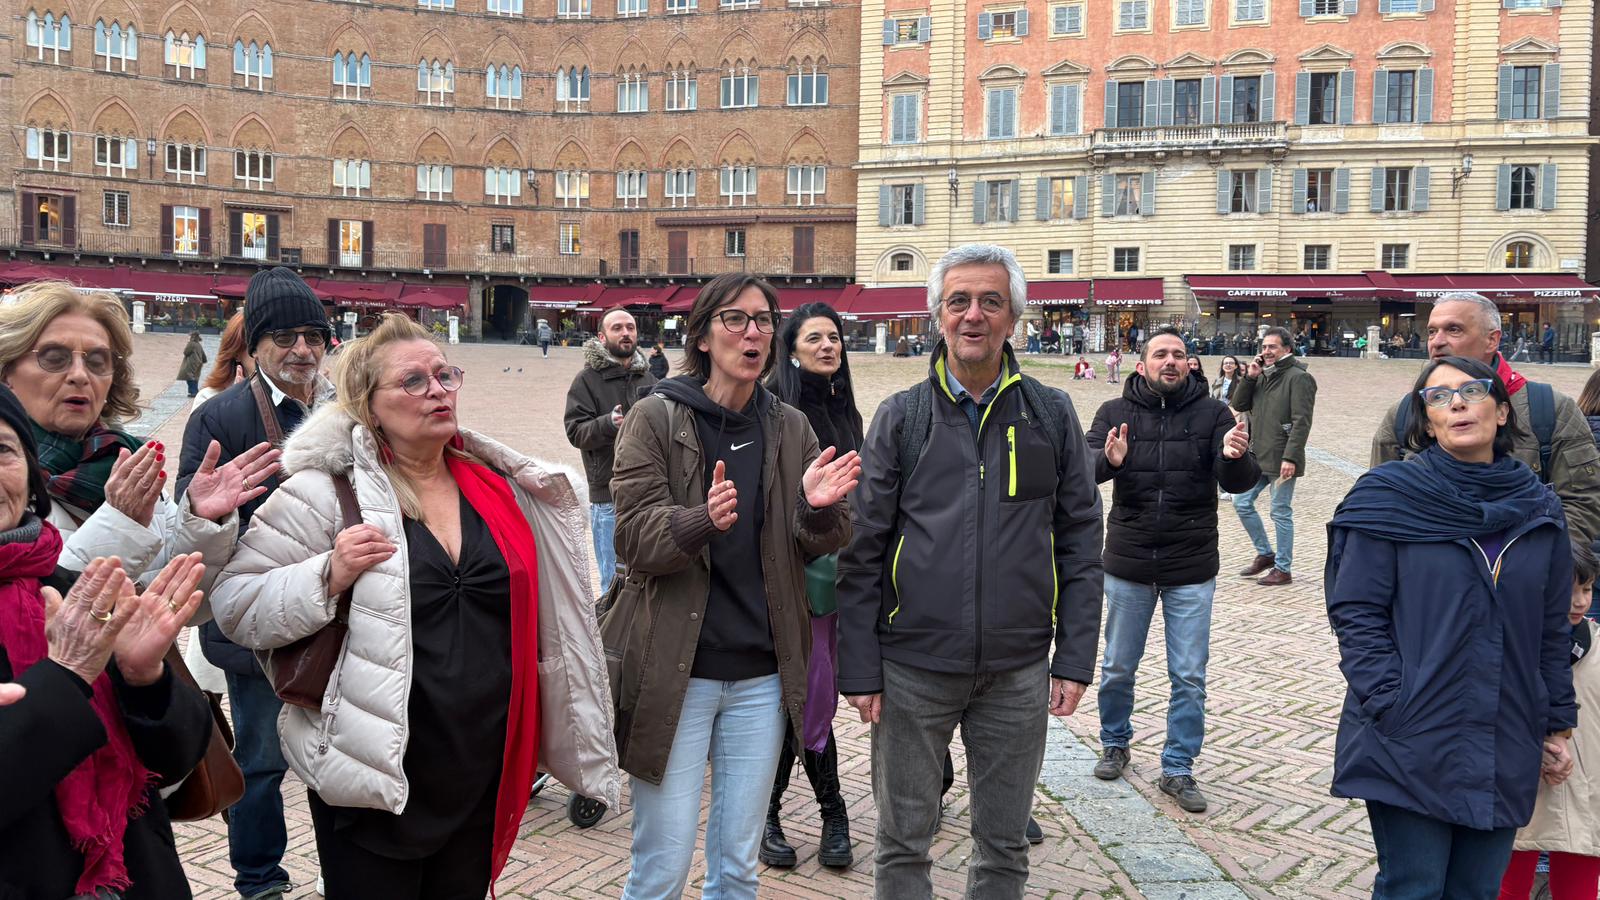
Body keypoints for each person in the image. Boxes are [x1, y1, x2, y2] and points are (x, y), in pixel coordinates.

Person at [211, 313, 620, 899]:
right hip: (378, 773)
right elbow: (236, 604)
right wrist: (328, 574)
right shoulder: (325, 491)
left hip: (481, 765)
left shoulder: (498, 486)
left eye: (445, 375)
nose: (438, 391)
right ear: (368, 405)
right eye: (413, 382)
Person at [836, 244, 1104, 898]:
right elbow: (863, 550)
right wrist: (861, 668)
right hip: (911, 670)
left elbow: (1078, 540)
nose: (973, 315)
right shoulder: (903, 416)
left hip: (1016, 671)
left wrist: (1072, 658)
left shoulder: (1050, 413)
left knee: (1005, 848)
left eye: (990, 301)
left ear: (1014, 316)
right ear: (937, 316)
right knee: (903, 845)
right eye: (959, 301)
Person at [604, 273, 858, 900]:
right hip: (676, 675)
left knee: (739, 868)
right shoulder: (654, 418)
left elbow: (822, 538)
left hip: (762, 678)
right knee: (661, 866)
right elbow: (633, 540)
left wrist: (821, 510)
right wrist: (699, 521)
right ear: (701, 333)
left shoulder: (791, 426)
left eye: (765, 320)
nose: (753, 333)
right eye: (736, 319)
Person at [1326, 355, 1577, 900]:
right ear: (1426, 419)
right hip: (1412, 730)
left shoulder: (1539, 509)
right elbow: (1356, 612)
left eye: (1471, 390)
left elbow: (1551, 631)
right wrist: (1392, 700)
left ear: (1503, 411)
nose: (1456, 402)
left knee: (1476, 890)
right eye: (1438, 397)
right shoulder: (1388, 498)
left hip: (1504, 728)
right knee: (1413, 887)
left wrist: (1555, 723)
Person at [0, 374, 216, 899]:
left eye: (2, 450)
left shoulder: (72, 588)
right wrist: (66, 676)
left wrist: (149, 682)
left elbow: (176, 763)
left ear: (31, 478)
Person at [178, 267, 332, 900]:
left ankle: (351, 867)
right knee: (263, 761)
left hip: (338, 611)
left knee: (342, 756)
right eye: (285, 337)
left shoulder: (347, 406)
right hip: (256, 627)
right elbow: (188, 524)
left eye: (313, 336)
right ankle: (258, 877)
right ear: (255, 344)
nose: (302, 349)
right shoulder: (219, 416)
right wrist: (214, 510)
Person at [1085, 328, 1260, 813]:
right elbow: (1082, 464)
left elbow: (1241, 480)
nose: (1170, 361)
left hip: (1191, 564)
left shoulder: (1214, 414)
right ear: (1141, 365)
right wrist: (1108, 460)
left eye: (1179, 355)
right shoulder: (1114, 413)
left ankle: (1178, 767)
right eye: (1160, 354)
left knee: (1188, 675)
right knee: (1118, 667)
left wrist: (1235, 456)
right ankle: (1115, 742)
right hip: (1129, 561)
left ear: (1190, 365)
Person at [0, 282, 273, 583]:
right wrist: (120, 522)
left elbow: (192, 601)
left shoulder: (128, 462)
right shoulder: (9, 477)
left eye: (96, 361)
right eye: (54, 358)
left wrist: (200, 520)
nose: (80, 375)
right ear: (7, 371)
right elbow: (32, 613)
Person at [760, 301, 864, 869]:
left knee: (814, 695)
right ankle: (816, 811)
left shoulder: (845, 407)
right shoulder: (777, 408)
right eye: (814, 338)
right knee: (794, 699)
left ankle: (805, 812)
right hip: (789, 574)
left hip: (836, 573)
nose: (828, 346)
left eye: (835, 338)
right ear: (792, 348)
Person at [1370, 292, 1600, 545]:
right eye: (1432, 331)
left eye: (1454, 330)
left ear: (1492, 340)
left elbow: (1583, 501)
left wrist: (1546, 565)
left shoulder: (1550, 408)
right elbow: (1381, 504)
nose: (1437, 342)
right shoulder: (1403, 413)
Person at [1497, 537, 1600, 900]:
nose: (1580, 601)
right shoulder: (1517, 645)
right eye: (1569, 590)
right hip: (1525, 783)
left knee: (1579, 887)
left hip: (1586, 784)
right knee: (1508, 884)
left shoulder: (1596, 643)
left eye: (1587, 589)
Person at [564, 308, 656, 590]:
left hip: (650, 495)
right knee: (613, 581)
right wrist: (608, 424)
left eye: (630, 327)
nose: (626, 333)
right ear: (602, 337)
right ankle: (610, 635)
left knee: (648, 575)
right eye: (617, 328)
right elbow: (575, 431)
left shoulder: (649, 379)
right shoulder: (587, 380)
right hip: (608, 496)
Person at [1230, 327, 1317, 586]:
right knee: (1241, 502)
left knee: (1280, 512)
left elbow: (1302, 422)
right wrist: (1249, 377)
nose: (1266, 351)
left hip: (1282, 459)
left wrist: (1291, 457)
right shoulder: (1263, 375)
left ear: (1287, 349)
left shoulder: (1299, 378)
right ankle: (1266, 553)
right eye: (1264, 347)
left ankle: (1283, 568)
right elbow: (1239, 404)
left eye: (1272, 347)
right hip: (1259, 456)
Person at [193, 312, 255, 409]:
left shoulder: (283, 394)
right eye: (254, 347)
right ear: (236, 352)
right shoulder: (208, 399)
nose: (265, 354)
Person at [178, 331, 207, 397]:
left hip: (191, 363)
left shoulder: (191, 344)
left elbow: (186, 352)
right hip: (198, 363)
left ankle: (194, 392)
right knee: (195, 377)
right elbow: (203, 355)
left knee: (189, 377)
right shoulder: (198, 344)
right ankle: (193, 391)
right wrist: (203, 361)